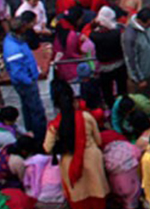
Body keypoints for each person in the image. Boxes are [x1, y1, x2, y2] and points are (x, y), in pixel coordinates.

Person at [45, 78, 109, 209]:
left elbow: (47, 148)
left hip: (69, 162)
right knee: (97, 194)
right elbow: (99, 141)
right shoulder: (86, 117)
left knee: (79, 197)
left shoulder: (54, 125)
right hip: (92, 158)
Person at [3, 11, 46, 143]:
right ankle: (41, 138)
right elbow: (17, 72)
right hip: (25, 83)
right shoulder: (13, 48)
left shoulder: (17, 41)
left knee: (27, 108)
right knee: (37, 111)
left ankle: (31, 132)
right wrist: (30, 80)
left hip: (26, 80)